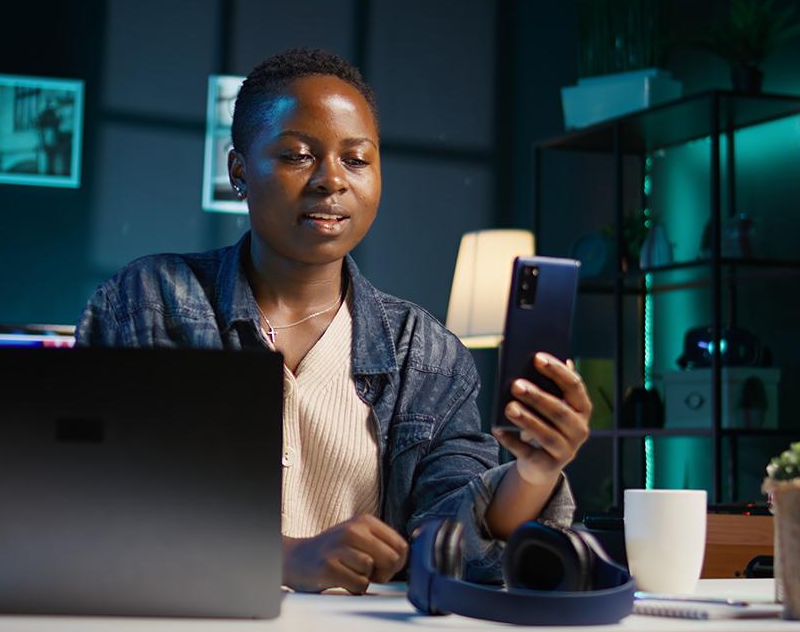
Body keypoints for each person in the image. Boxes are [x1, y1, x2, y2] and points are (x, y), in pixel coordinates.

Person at [76, 48, 592, 594]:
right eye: (298, 155)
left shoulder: (426, 353)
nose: (332, 180)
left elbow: (452, 546)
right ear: (238, 172)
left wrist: (532, 473)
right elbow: (90, 500)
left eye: (356, 159)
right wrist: (279, 558)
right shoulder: (149, 302)